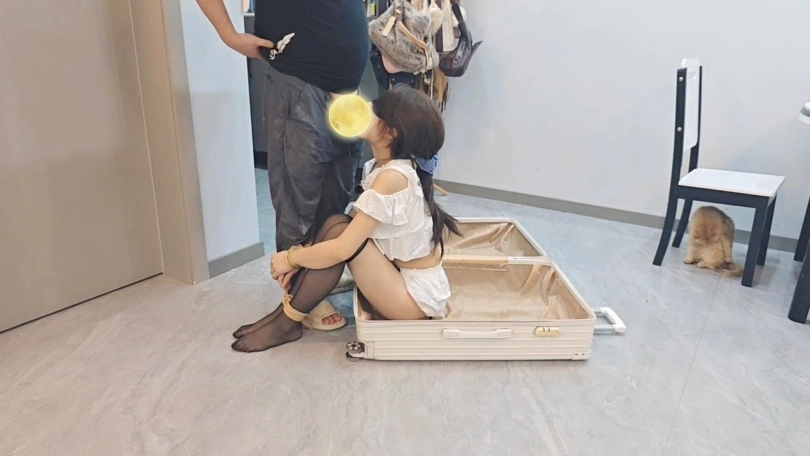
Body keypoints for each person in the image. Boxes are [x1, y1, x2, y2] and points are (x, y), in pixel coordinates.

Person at [231, 87, 460, 352]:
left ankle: (286, 323)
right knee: (338, 223)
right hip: (400, 282)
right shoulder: (383, 168)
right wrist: (302, 258)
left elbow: (343, 248)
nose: (366, 108)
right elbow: (346, 225)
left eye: (376, 108)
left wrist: (291, 258)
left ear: (391, 133)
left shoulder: (394, 177)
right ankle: (285, 316)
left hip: (414, 301)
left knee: (344, 238)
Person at [195, 0, 370, 329]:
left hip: (345, 92)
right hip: (298, 84)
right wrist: (229, 35)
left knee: (336, 194)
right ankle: (301, 291)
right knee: (297, 198)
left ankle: (320, 273)